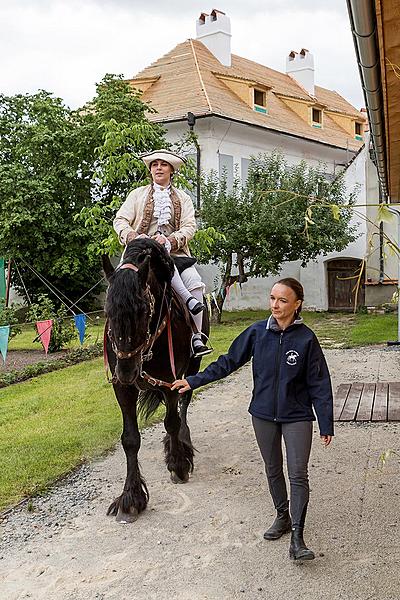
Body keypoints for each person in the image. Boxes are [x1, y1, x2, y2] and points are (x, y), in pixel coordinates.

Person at [172, 278, 333, 561]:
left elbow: (320, 383)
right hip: (262, 415)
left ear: (297, 305)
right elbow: (228, 362)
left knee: (298, 474)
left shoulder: (306, 338)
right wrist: (194, 381)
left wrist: (326, 422)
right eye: (272, 298)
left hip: (297, 416)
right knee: (272, 469)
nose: (275, 305)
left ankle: (297, 536)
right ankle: (282, 516)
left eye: (283, 300)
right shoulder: (257, 333)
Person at [113, 149, 212, 357]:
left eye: (163, 164)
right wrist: (133, 236)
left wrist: (170, 240)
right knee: (120, 286)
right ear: (150, 170)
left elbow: (189, 226)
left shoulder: (183, 198)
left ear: (171, 170)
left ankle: (196, 337)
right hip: (139, 256)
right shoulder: (136, 195)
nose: (158, 167)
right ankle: (115, 334)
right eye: (155, 164)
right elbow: (120, 220)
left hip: (174, 254)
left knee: (195, 282)